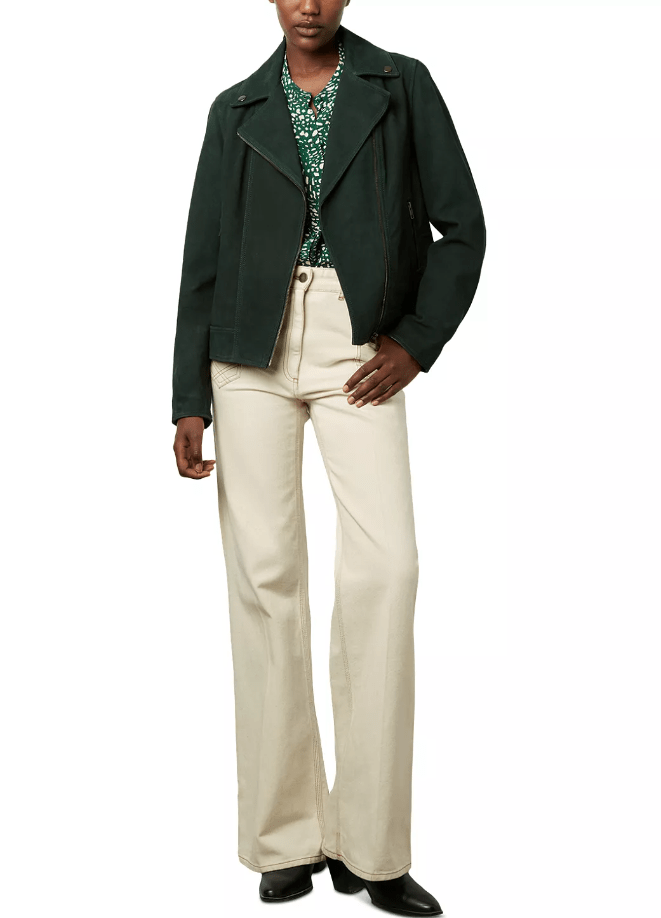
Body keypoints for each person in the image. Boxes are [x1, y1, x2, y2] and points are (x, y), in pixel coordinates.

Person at [171, 1, 485, 912]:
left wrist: (416, 341)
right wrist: (188, 396)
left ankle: (372, 848)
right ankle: (286, 838)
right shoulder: (236, 107)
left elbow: (463, 228)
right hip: (247, 354)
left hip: (360, 345)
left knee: (387, 570)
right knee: (266, 578)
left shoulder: (400, 84)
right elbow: (202, 255)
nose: (307, 3)